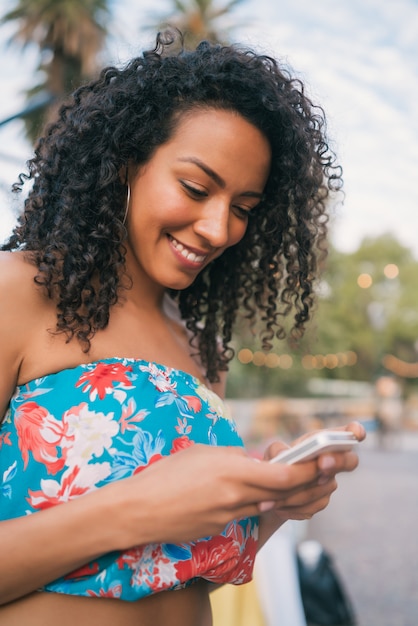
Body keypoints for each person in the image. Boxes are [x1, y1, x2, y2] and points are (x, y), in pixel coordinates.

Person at [0, 29, 365, 626]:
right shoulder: (21, 292)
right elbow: (141, 521)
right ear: (126, 161)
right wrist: (139, 507)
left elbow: (166, 573)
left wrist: (268, 503)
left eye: (243, 208)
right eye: (196, 188)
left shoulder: (202, 349)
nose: (219, 230)